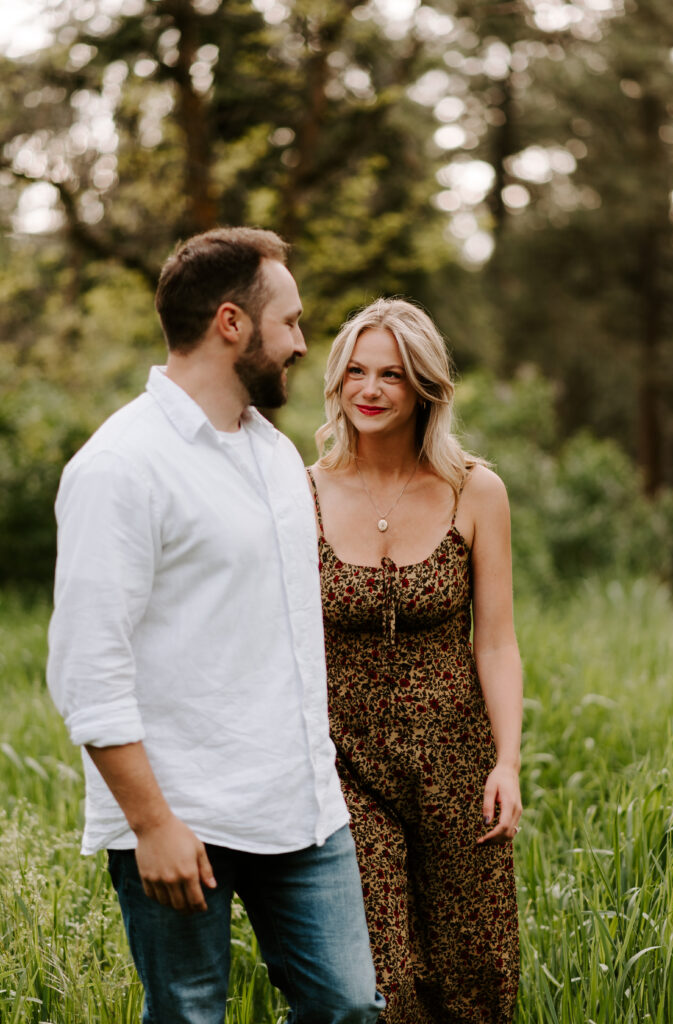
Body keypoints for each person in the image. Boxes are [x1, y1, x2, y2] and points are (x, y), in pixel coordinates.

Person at [46, 227, 385, 1024]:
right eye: (291, 322)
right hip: (179, 814)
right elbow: (87, 668)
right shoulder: (119, 466)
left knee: (348, 1009)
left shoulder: (271, 455)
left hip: (300, 808)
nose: (303, 343)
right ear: (232, 323)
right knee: (191, 1014)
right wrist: (152, 824)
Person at [307, 297, 522, 1024]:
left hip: (458, 761)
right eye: (356, 372)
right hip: (347, 765)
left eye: (391, 375)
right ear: (335, 384)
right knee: (380, 976)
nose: (369, 390)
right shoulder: (299, 492)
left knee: (476, 969)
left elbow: (495, 640)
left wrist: (508, 762)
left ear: (424, 386)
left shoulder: (475, 489)